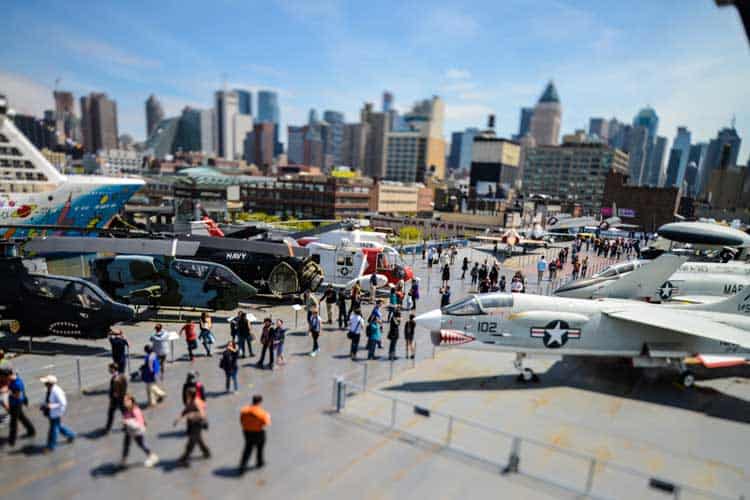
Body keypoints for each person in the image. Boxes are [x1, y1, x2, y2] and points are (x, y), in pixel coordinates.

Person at [120, 393, 159, 468]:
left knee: (141, 444)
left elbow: (139, 425)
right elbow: (126, 418)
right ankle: (124, 460)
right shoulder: (126, 409)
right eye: (124, 401)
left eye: (127, 401)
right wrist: (125, 424)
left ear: (131, 401)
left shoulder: (136, 410)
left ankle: (152, 456)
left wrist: (127, 422)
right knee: (126, 444)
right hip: (129, 430)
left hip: (137, 432)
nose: (125, 403)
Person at [175, 387, 210, 466]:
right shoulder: (190, 401)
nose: (186, 394)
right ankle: (206, 452)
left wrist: (191, 415)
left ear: (190, 395)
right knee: (198, 439)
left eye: (187, 393)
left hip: (197, 424)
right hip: (191, 424)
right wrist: (179, 418)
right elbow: (186, 410)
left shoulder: (197, 402)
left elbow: (202, 414)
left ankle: (185, 459)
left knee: (191, 442)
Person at [40, 375, 75, 451]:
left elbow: (63, 403)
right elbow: (47, 398)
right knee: (58, 426)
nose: (44, 384)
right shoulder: (49, 389)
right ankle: (71, 435)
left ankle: (51, 446)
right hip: (51, 412)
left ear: (50, 383)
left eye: (46, 383)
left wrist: (51, 406)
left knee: (53, 429)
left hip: (56, 412)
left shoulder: (56, 391)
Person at [2, 368, 35, 446]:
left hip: (16, 404)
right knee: (22, 417)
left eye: (3, 377)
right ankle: (31, 431)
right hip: (15, 402)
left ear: (8, 376)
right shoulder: (13, 379)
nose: (3, 379)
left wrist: (7, 391)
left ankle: (11, 441)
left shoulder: (17, 383)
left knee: (13, 423)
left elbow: (17, 395)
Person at [239, 395, 271, 472]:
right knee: (260, 447)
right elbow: (266, 423)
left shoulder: (244, 410)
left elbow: (241, 420)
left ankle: (243, 464)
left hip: (247, 432)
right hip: (258, 432)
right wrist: (268, 416)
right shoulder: (262, 413)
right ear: (260, 402)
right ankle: (259, 462)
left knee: (248, 448)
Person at [104, 363, 127, 432]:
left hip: (116, 399)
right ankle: (127, 426)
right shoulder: (122, 375)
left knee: (111, 413)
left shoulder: (115, 379)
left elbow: (115, 391)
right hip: (122, 397)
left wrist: (112, 397)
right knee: (124, 412)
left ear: (113, 369)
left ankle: (108, 428)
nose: (109, 370)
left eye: (110, 369)